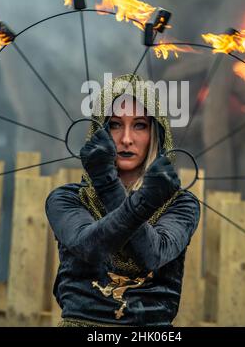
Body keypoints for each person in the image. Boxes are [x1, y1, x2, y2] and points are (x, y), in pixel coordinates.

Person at [45, 73, 200, 327]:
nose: (126, 139)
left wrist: (142, 198)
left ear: (156, 132)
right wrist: (107, 182)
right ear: (98, 131)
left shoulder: (181, 204)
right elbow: (90, 247)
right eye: (115, 124)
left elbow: (152, 255)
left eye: (139, 125)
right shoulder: (68, 198)